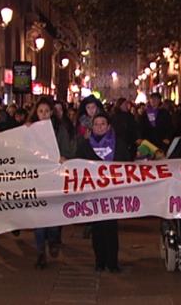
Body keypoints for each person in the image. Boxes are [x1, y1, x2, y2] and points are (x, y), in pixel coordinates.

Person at [76, 114, 131, 273]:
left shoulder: (118, 144)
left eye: (103, 124)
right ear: (92, 127)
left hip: (112, 193)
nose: (99, 127)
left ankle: (112, 262)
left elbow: (126, 165)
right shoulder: (85, 145)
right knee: (98, 229)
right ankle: (99, 261)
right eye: (97, 124)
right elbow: (77, 165)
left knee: (111, 228)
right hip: (93, 193)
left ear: (108, 127)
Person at [28, 98, 75, 268]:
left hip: (55, 177)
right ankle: (40, 251)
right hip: (38, 178)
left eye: (47, 111)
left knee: (54, 214)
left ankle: (54, 239)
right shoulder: (30, 130)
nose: (43, 115)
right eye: (40, 111)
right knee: (39, 218)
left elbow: (67, 150)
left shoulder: (59, 129)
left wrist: (63, 158)